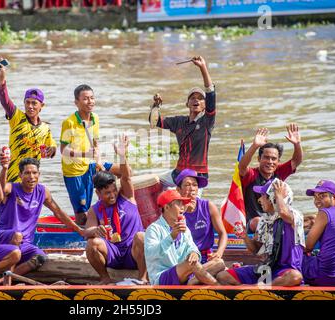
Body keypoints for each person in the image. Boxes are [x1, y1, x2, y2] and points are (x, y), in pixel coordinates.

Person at [0, 155, 84, 276]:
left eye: (34, 173)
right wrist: (4, 168)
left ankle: (4, 278)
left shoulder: (42, 191)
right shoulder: (12, 188)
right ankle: (6, 281)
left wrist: (80, 230)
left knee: (40, 257)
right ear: (20, 175)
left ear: (39, 174)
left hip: (25, 243)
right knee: (17, 235)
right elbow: (2, 190)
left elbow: (58, 212)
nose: (31, 177)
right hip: (2, 237)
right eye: (27, 173)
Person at [216, 179, 305, 286]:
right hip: (266, 269)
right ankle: (256, 289)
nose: (259, 200)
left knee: (295, 276)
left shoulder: (295, 215)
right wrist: (245, 237)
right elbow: (256, 250)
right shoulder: (264, 220)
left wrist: (278, 195)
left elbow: (283, 212)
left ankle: (254, 288)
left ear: (272, 198)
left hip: (284, 271)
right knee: (223, 276)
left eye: (262, 196)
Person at [83, 135, 147, 284]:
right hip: (113, 252)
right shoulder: (94, 209)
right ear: (98, 193)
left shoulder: (126, 196)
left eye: (114, 191)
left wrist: (123, 155)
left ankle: (143, 279)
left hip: (132, 251)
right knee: (92, 243)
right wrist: (95, 230)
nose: (112, 195)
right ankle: (105, 278)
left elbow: (126, 177)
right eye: (107, 193)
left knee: (141, 237)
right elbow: (86, 231)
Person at [149, 55, 215, 185]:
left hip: (197, 175)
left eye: (200, 98)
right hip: (178, 172)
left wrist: (203, 67)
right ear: (187, 104)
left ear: (205, 105)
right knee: (153, 183)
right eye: (193, 98)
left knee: (191, 203)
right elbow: (154, 121)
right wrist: (156, 105)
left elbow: (210, 92)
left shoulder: (207, 121)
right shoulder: (179, 121)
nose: (196, 100)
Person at [60, 84, 120, 225]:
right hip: (74, 171)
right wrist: (85, 154)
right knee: (82, 215)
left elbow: (95, 143)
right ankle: (83, 234)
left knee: (124, 171)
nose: (90, 101)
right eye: (85, 99)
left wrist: (98, 161)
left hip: (91, 164)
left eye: (92, 98)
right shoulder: (69, 122)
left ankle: (113, 211)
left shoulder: (95, 118)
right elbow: (63, 150)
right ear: (76, 102)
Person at [0, 58, 57, 183]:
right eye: (27, 102)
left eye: (34, 103)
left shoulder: (45, 128)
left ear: (41, 106)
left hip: (32, 179)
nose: (30, 106)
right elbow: (5, 100)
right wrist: (2, 80)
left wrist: (53, 149)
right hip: (13, 177)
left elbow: (52, 146)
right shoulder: (16, 117)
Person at [144, 189, 223, 285]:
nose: (183, 207)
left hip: (184, 273)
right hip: (161, 278)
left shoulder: (184, 227)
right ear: (167, 207)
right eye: (179, 204)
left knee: (219, 263)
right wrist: (171, 236)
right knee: (191, 264)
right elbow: (151, 254)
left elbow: (191, 247)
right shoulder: (153, 229)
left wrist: (194, 253)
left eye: (183, 204)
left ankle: (192, 282)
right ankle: (219, 288)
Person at [239, 125, 303, 233]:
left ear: (278, 161)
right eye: (266, 158)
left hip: (277, 220)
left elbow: (296, 161)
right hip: (253, 223)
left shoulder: (279, 172)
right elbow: (242, 167)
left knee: (311, 219)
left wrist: (297, 144)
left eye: (274, 159)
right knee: (257, 221)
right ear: (259, 159)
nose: (270, 162)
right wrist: (255, 146)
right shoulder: (251, 174)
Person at [174, 169, 228, 267]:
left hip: (206, 257)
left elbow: (223, 233)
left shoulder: (208, 206)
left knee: (220, 265)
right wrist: (184, 210)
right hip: (184, 258)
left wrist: (218, 253)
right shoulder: (174, 210)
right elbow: (173, 239)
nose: (192, 188)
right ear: (178, 190)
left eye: (195, 185)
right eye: (187, 185)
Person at [302, 180, 335, 286]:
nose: (317, 201)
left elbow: (308, 247)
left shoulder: (324, 213)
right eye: (315, 197)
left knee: (294, 254)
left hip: (327, 276)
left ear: (334, 197)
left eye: (322, 196)